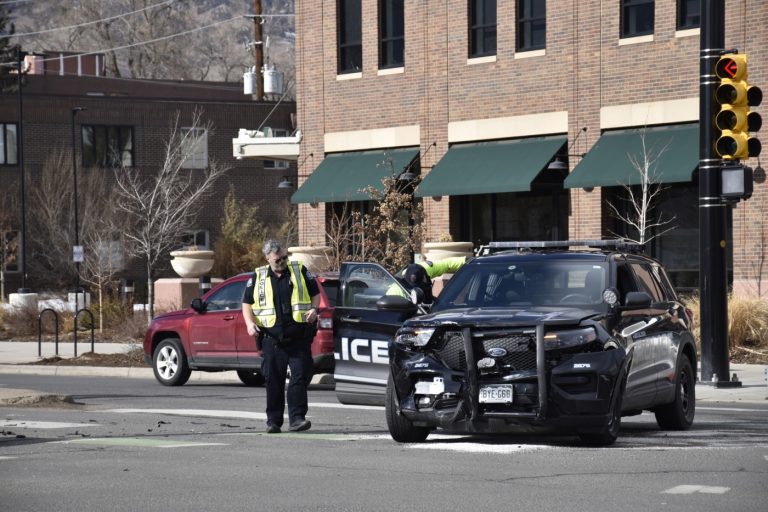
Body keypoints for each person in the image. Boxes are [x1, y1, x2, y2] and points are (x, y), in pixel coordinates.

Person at [242, 239, 321, 434]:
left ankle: (297, 419)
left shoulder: (299, 270)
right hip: (272, 339)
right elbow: (246, 303)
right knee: (273, 380)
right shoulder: (258, 276)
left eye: (284, 257)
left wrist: (314, 309)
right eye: (278, 259)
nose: (282, 261)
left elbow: (315, 293)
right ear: (267, 258)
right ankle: (273, 421)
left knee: (300, 377)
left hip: (298, 337)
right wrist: (249, 323)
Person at [387, 256, 468, 303]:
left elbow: (447, 264)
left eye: (424, 280)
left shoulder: (425, 268)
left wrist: (467, 260)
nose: (425, 282)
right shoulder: (395, 291)